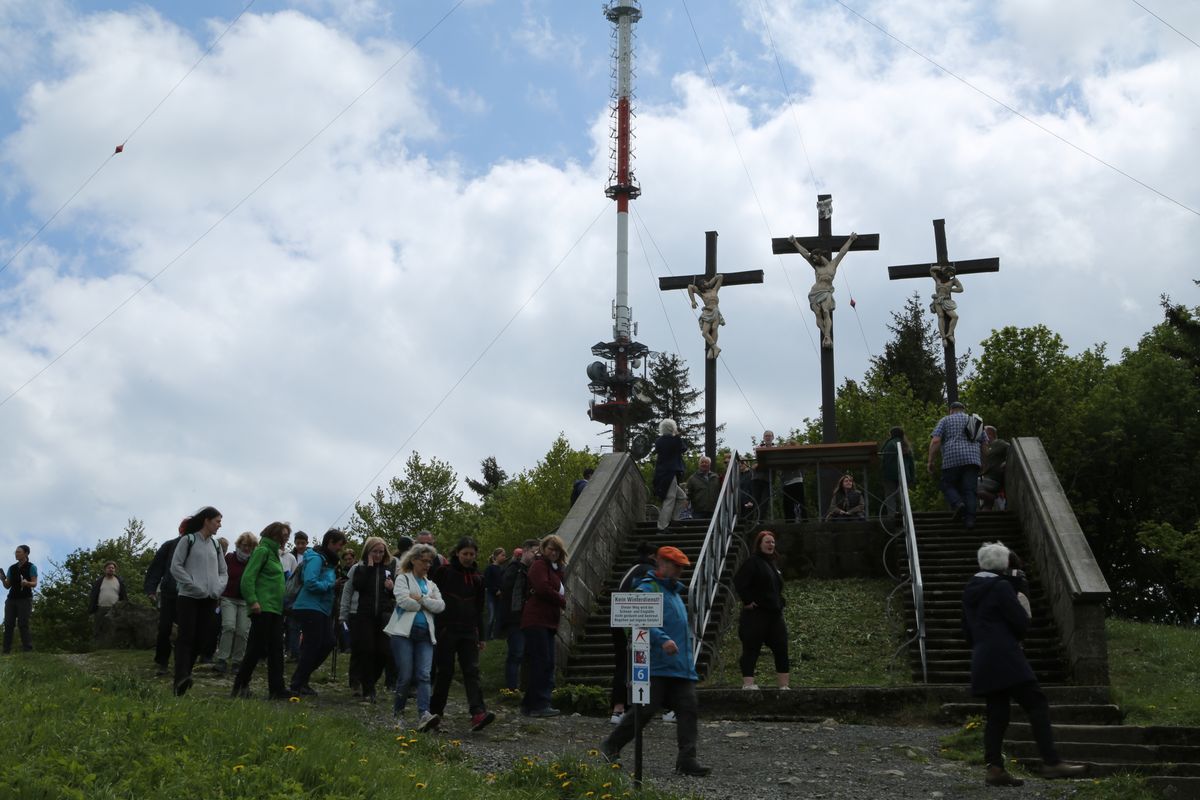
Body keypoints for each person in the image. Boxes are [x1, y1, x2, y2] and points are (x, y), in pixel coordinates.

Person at [962, 542, 1085, 786]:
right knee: (1036, 703)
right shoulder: (1001, 587)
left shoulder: (971, 589)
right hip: (1006, 654)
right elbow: (1021, 622)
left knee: (997, 713)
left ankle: (994, 767)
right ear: (1005, 564)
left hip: (982, 657)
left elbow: (966, 629)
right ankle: (1051, 762)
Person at [601, 546, 710, 777]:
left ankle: (687, 760)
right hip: (656, 666)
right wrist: (662, 640)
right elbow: (641, 622)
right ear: (661, 564)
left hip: (680, 668)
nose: (679, 571)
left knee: (688, 709)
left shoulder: (674, 593)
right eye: (675, 566)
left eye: (681, 567)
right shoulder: (646, 589)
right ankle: (611, 746)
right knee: (644, 710)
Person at [429, 536, 495, 731]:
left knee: (471, 671)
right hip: (446, 630)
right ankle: (435, 714)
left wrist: (481, 636)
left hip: (468, 631)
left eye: (471, 554)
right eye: (464, 553)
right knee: (445, 672)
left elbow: (479, 608)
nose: (467, 557)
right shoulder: (443, 572)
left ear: (476, 555)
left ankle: (478, 713)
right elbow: (432, 597)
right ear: (457, 553)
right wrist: (436, 627)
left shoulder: (478, 578)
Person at [385, 543, 445, 730]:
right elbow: (403, 601)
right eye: (424, 561)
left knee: (424, 675)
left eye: (430, 562)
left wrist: (421, 599)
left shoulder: (431, 584)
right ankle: (399, 714)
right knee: (405, 676)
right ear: (413, 560)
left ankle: (424, 714)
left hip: (426, 635)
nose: (427, 565)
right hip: (403, 634)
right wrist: (427, 603)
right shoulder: (403, 578)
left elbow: (441, 606)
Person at [169, 507, 228, 696]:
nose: (220, 524)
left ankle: (185, 674)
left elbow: (223, 571)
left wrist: (218, 589)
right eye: (217, 521)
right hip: (188, 597)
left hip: (209, 599)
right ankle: (180, 678)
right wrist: (192, 585)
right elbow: (176, 566)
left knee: (201, 638)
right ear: (206, 520)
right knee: (186, 636)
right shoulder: (188, 540)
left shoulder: (216, 545)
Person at [231, 521, 291, 700]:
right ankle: (240, 685)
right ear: (274, 535)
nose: (286, 538)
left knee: (276, 649)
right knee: (256, 648)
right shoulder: (263, 551)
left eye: (288, 535)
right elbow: (247, 578)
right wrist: (253, 601)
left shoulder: (274, 554)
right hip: (262, 608)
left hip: (275, 609)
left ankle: (277, 689)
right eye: (284, 535)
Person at [288, 528, 347, 697]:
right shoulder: (316, 558)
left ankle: (301, 678)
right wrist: (331, 585)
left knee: (328, 642)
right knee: (312, 645)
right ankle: (299, 682)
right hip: (309, 606)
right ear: (330, 542)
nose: (340, 550)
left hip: (322, 608)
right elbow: (310, 582)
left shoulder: (329, 561)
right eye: (339, 546)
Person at [733, 531, 789, 690]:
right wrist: (748, 601)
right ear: (759, 544)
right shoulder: (753, 562)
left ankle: (784, 685)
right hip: (757, 614)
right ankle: (748, 684)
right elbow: (739, 581)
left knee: (781, 647)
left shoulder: (773, 564)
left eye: (772, 542)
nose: (771, 545)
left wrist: (780, 601)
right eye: (767, 542)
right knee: (751, 647)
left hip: (774, 613)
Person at [609, 540, 657, 723]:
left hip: (619, 619)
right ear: (653, 556)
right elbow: (645, 596)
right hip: (633, 622)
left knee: (623, 663)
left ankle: (620, 707)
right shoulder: (646, 571)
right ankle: (622, 708)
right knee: (634, 663)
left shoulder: (632, 569)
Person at [521, 534, 568, 717]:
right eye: (550, 549)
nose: (554, 553)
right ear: (543, 549)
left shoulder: (554, 569)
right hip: (537, 619)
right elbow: (542, 588)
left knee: (543, 662)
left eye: (556, 550)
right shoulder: (540, 565)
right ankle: (540, 704)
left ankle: (531, 704)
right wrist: (561, 600)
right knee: (543, 662)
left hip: (546, 620)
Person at [350, 537, 399, 704]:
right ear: (368, 552)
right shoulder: (361, 568)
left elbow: (396, 595)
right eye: (375, 552)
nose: (378, 555)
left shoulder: (389, 569)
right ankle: (368, 689)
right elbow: (358, 586)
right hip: (365, 615)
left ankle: (369, 681)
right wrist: (370, 567)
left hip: (384, 615)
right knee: (367, 651)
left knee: (385, 652)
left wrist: (391, 589)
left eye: (381, 552)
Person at [789, 231, 858, 348]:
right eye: (814, 260)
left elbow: (842, 252)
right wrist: (795, 242)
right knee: (817, 314)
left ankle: (827, 336)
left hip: (826, 292)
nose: (814, 261)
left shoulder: (833, 265)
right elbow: (805, 254)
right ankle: (825, 334)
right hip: (814, 293)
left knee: (826, 311)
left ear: (820, 256)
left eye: (816, 258)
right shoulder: (817, 267)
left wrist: (851, 239)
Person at [928, 401, 988, 529]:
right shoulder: (975, 421)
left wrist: (931, 461)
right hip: (972, 460)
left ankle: (958, 503)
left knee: (946, 484)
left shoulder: (945, 420)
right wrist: (983, 462)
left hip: (951, 460)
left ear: (951, 410)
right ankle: (970, 520)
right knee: (970, 490)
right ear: (963, 409)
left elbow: (936, 441)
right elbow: (984, 444)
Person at [144, 518, 189, 676]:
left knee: (185, 630)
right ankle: (162, 662)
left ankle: (181, 663)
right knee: (164, 628)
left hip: (189, 595)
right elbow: (156, 568)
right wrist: (150, 589)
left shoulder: (196, 548)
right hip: (168, 592)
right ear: (180, 529)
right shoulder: (169, 546)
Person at [498, 539, 539, 692]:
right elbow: (507, 591)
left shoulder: (531, 570)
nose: (536, 555)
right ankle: (511, 688)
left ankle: (524, 687)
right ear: (526, 550)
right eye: (534, 551)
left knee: (526, 654)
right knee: (516, 652)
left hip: (527, 617)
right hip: (515, 618)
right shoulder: (514, 568)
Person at [214, 531, 257, 675]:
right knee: (228, 626)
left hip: (246, 600)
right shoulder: (229, 558)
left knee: (243, 631)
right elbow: (221, 574)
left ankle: (238, 661)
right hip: (228, 598)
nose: (247, 549)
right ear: (239, 544)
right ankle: (222, 659)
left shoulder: (255, 561)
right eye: (245, 545)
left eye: (250, 546)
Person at [653, 419, 689, 531]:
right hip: (670, 473)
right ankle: (662, 526)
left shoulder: (659, 441)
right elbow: (684, 448)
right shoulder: (675, 440)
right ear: (672, 428)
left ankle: (674, 520)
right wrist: (677, 434)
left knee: (682, 497)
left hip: (661, 473)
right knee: (670, 499)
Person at [2, 545, 38, 653]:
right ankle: (6, 650)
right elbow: (7, 585)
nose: (16, 554)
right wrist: (3, 579)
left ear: (26, 553)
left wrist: (27, 583)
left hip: (25, 599)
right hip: (11, 599)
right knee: (8, 624)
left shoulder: (31, 567)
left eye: (19, 552)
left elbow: (34, 583)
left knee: (23, 624)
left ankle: (27, 650)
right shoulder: (12, 568)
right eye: (16, 552)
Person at [879, 426, 916, 522]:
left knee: (890, 495)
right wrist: (912, 477)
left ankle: (891, 516)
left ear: (891, 434)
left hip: (889, 475)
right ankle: (906, 516)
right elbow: (911, 464)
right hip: (904, 474)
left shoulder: (888, 445)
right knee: (903, 496)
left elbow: (883, 460)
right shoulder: (905, 445)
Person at [283, 531, 309, 661]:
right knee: (292, 624)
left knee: (304, 625)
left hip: (306, 592)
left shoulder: (310, 556)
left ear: (307, 543)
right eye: (298, 543)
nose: (300, 546)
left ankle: (303, 651)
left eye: (303, 543)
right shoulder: (291, 556)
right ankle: (293, 651)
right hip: (293, 593)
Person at [688, 273, 725, 359]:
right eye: (703, 283)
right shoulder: (702, 294)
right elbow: (690, 286)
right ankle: (715, 347)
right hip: (707, 313)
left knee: (715, 328)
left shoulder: (714, 290)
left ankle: (712, 350)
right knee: (704, 333)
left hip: (715, 311)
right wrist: (693, 301)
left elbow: (720, 277)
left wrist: (710, 283)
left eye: (706, 282)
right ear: (701, 286)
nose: (706, 284)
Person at [929, 264, 964, 344]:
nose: (950, 275)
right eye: (948, 273)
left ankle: (949, 334)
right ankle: (943, 337)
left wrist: (951, 290)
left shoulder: (953, 281)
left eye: (951, 274)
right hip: (937, 300)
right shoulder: (937, 279)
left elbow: (961, 289)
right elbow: (931, 269)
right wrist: (941, 268)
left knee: (955, 316)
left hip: (946, 300)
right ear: (945, 272)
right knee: (940, 316)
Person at [978, 426, 1010, 511]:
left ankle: (995, 497)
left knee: (970, 489)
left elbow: (1012, 450)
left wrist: (1006, 462)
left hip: (993, 479)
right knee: (986, 506)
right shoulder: (986, 447)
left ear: (989, 434)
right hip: (986, 478)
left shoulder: (999, 443)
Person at [483, 547, 507, 640]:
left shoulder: (502, 569)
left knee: (498, 616)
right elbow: (487, 582)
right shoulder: (490, 568)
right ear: (496, 556)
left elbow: (503, 582)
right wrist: (495, 590)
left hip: (500, 595)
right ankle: (486, 637)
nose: (504, 557)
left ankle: (496, 636)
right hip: (491, 595)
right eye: (502, 555)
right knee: (491, 616)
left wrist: (501, 590)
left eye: (504, 555)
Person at [751, 430, 775, 514]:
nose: (768, 437)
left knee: (765, 500)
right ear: (763, 438)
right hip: (757, 478)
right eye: (766, 436)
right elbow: (754, 465)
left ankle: (761, 521)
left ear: (773, 437)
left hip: (768, 479)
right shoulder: (759, 448)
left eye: (769, 436)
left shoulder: (776, 449)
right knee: (756, 499)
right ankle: (755, 519)